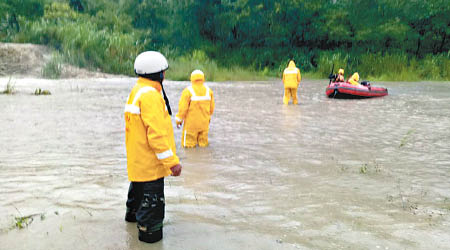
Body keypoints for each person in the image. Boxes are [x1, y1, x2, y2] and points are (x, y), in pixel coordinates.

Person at [124, 51, 182, 243]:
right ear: (159, 74)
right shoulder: (151, 96)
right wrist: (172, 163)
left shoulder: (138, 90)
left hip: (138, 165)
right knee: (152, 225)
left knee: (135, 208)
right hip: (151, 167)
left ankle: (132, 232)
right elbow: (156, 136)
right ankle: (148, 237)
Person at [175, 70, 215, 147]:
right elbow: (211, 109)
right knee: (203, 146)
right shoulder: (209, 91)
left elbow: (183, 109)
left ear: (192, 78)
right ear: (203, 78)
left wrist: (178, 120)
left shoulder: (188, 91)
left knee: (188, 147)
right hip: (204, 125)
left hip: (191, 126)